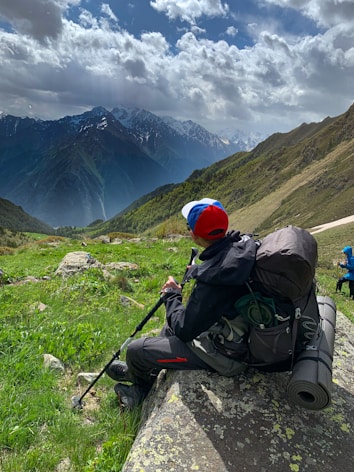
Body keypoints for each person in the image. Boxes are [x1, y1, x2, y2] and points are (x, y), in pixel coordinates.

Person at [105, 197, 258, 409]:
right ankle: (144, 370)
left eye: (189, 227)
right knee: (169, 326)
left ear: (194, 234)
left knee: (136, 349)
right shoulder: (239, 250)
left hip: (228, 355)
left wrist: (171, 295)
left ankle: (139, 388)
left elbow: (185, 329)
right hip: (243, 335)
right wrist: (200, 272)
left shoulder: (216, 278)